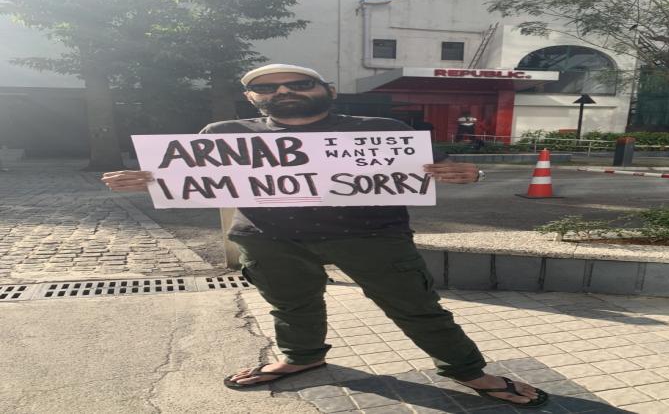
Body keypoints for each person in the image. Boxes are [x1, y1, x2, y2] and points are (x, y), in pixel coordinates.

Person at [101, 64, 548, 408]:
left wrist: (470, 173)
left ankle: (469, 372)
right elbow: (193, 175)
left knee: (416, 307)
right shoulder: (223, 135)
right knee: (290, 304)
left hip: (372, 236)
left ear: (328, 91)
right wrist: (150, 179)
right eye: (267, 87)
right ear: (251, 97)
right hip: (268, 238)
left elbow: (442, 168)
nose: (283, 92)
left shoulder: (382, 132)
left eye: (298, 83)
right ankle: (302, 357)